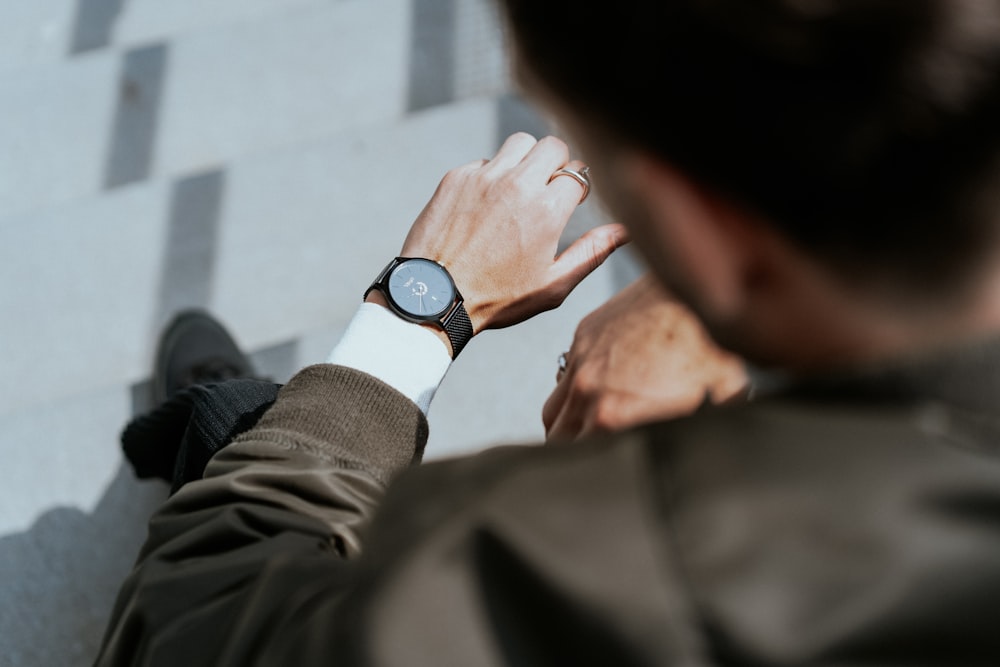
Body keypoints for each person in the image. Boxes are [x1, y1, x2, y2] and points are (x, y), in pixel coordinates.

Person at [98, 0, 1000, 664]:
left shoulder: (627, 557)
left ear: (699, 224)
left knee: (250, 448)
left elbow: (187, 631)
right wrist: (714, 306)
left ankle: (244, 450)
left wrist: (416, 314)